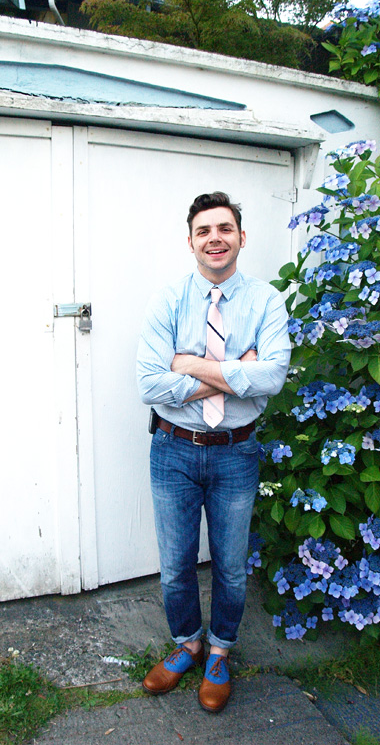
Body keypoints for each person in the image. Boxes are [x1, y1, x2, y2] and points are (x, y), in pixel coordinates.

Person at [136, 191, 290, 713]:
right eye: (204, 231)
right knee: (176, 567)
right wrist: (233, 374)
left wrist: (190, 365)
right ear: (191, 242)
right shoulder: (169, 299)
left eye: (224, 228)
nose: (215, 238)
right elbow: (148, 385)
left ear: (241, 237)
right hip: (173, 451)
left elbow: (272, 376)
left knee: (229, 567)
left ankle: (220, 652)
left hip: (235, 453)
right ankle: (188, 645)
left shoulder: (268, 301)